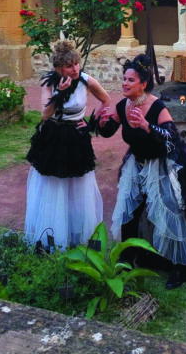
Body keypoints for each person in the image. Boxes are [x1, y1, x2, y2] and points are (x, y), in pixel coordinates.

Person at [97, 54, 186, 290]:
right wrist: (102, 124)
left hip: (162, 164)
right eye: (124, 79)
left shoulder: (156, 106)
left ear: (143, 84)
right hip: (137, 163)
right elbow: (109, 130)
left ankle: (179, 268)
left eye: (130, 80)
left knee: (169, 213)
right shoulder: (124, 105)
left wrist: (147, 125)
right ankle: (128, 258)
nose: (124, 83)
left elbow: (171, 139)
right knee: (130, 210)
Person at [24, 40, 111, 250]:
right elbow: (45, 114)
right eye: (70, 66)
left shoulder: (85, 81)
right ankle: (51, 239)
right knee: (53, 186)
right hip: (54, 137)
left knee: (79, 185)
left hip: (76, 136)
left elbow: (106, 100)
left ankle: (76, 236)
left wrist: (91, 123)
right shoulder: (49, 82)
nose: (75, 69)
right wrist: (60, 94)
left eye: (76, 64)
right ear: (58, 68)